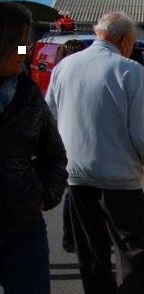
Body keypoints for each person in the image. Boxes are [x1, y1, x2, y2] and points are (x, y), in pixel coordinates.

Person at [0, 1, 94, 294]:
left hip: (22, 229)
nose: (26, 51)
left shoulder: (25, 93)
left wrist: (46, 193)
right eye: (18, 41)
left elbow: (54, 155)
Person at [46, 11, 144, 294]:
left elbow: (50, 119)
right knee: (130, 254)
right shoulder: (131, 72)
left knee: (92, 254)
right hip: (119, 180)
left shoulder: (64, 68)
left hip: (76, 177)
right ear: (126, 41)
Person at [57, 39, 88, 254]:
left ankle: (71, 238)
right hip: (72, 142)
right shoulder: (73, 75)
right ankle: (72, 237)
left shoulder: (60, 73)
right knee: (74, 194)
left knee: (73, 193)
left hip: (66, 140)